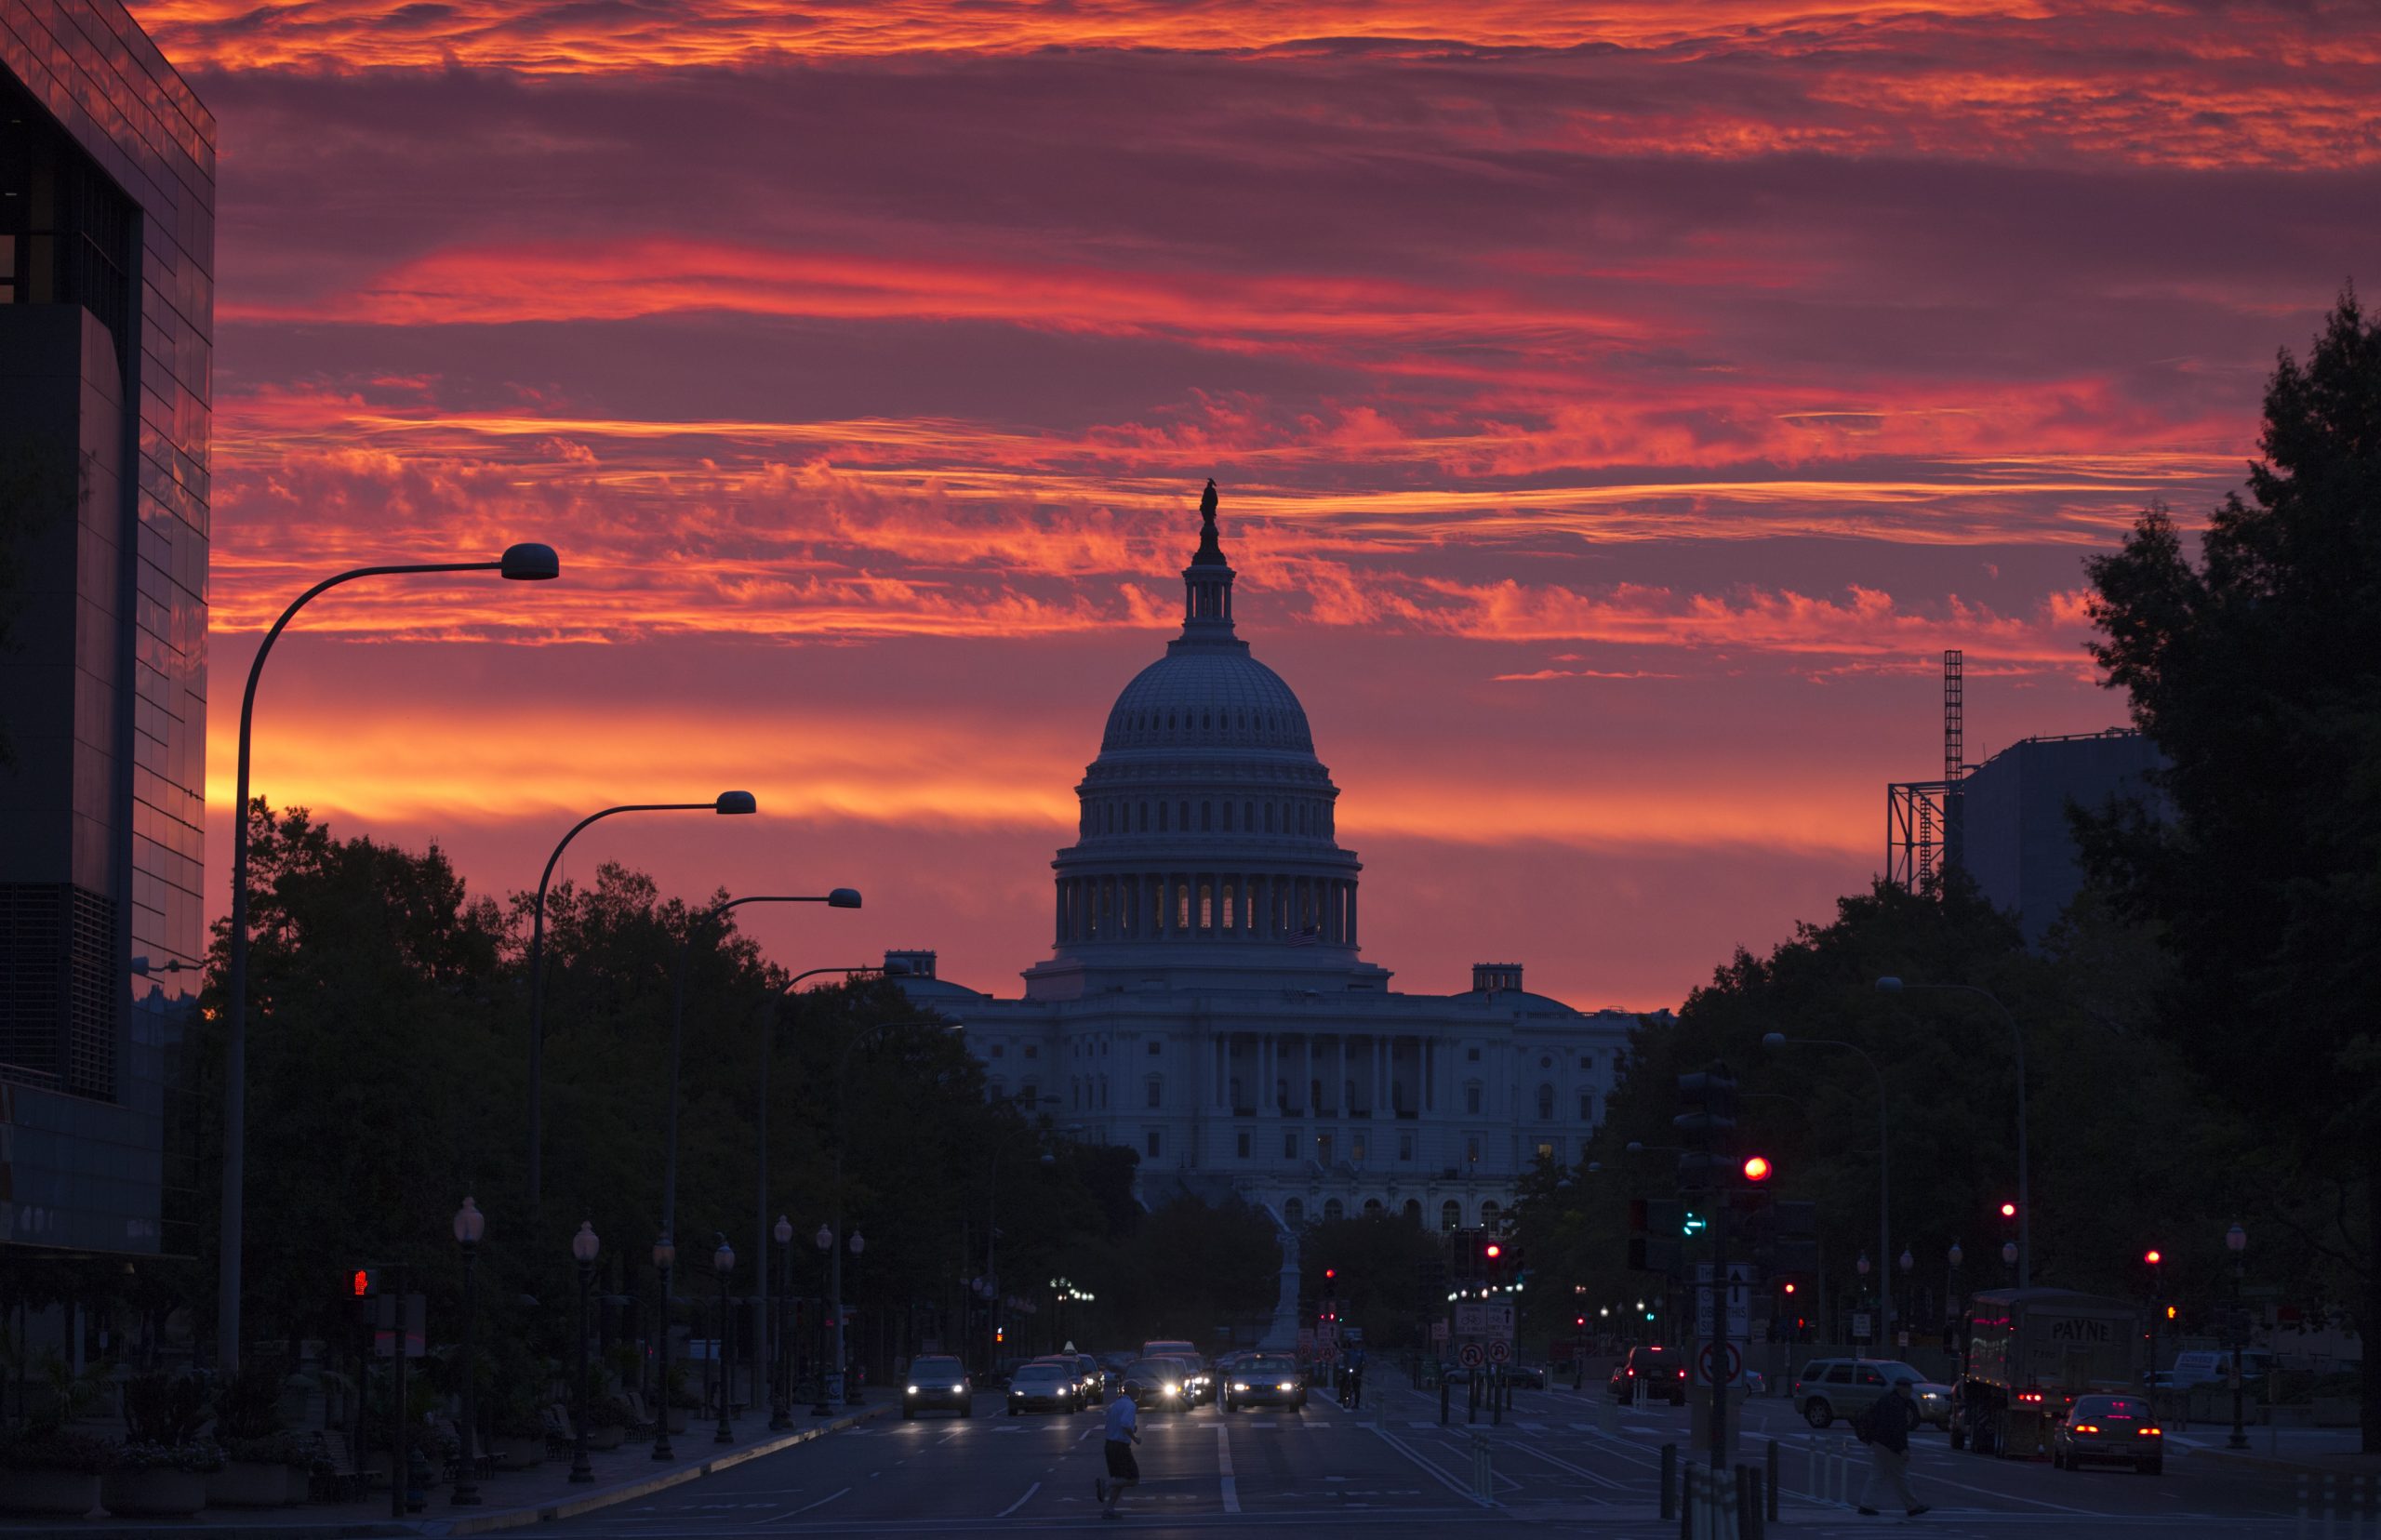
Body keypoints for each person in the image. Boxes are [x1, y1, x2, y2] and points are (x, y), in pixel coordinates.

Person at [1855, 1379, 1931, 1519]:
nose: (1910, 1391)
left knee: (1877, 1474)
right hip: (1888, 1444)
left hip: (1878, 1441)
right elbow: (1898, 1430)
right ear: (1901, 1388)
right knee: (1901, 1476)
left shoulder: (1887, 1400)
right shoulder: (1897, 1405)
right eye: (1908, 1388)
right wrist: (1902, 1449)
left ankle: (1866, 1505)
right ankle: (1912, 1506)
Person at [1095, 1380, 1142, 1520]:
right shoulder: (1130, 1405)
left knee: (1120, 1479)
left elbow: (1109, 1426)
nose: (1140, 1392)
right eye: (1138, 1390)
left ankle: (1109, 1508)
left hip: (1109, 1444)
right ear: (1132, 1391)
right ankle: (1106, 1485)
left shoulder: (1114, 1405)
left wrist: (1130, 1429)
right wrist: (1135, 1438)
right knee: (1133, 1478)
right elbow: (1125, 1424)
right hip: (1120, 1446)